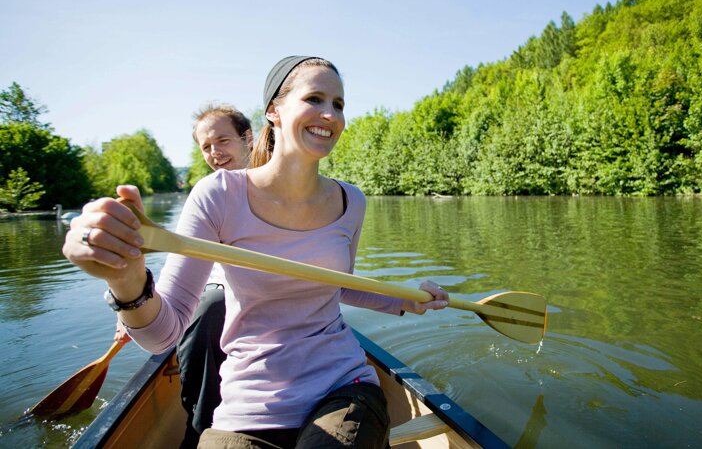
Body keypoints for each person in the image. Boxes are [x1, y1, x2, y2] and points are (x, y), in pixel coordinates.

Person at [63, 56, 449, 449]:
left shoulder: (352, 201)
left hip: (343, 384)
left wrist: (407, 300)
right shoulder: (218, 195)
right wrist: (125, 280)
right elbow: (165, 335)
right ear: (273, 113)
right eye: (314, 98)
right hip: (249, 404)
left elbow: (337, 287)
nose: (330, 114)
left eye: (338, 104)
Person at [113, 102, 254, 448]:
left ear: (248, 138)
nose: (215, 153)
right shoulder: (207, 196)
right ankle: (202, 429)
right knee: (214, 306)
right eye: (206, 147)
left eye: (223, 141)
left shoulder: (283, 188)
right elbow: (182, 263)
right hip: (215, 295)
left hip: (268, 297)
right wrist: (135, 302)